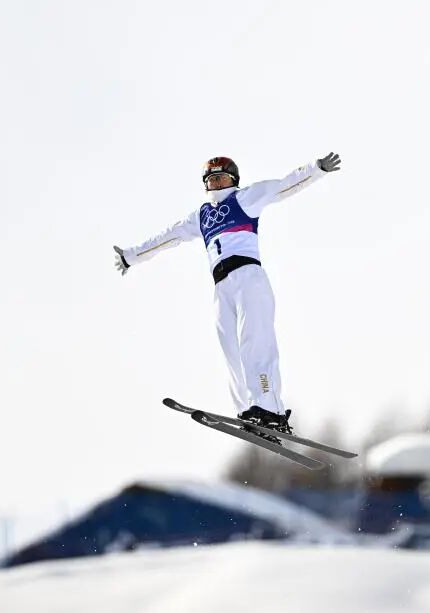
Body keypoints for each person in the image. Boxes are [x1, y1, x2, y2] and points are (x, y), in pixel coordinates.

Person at [113, 152, 342, 436]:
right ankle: (248, 410)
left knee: (255, 343)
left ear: (233, 180)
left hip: (248, 278)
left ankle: (270, 409)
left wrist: (316, 169)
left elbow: (284, 186)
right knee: (231, 350)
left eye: (221, 178)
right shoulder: (201, 217)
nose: (216, 184)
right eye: (211, 180)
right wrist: (131, 256)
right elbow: (167, 237)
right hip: (222, 287)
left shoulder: (244, 198)